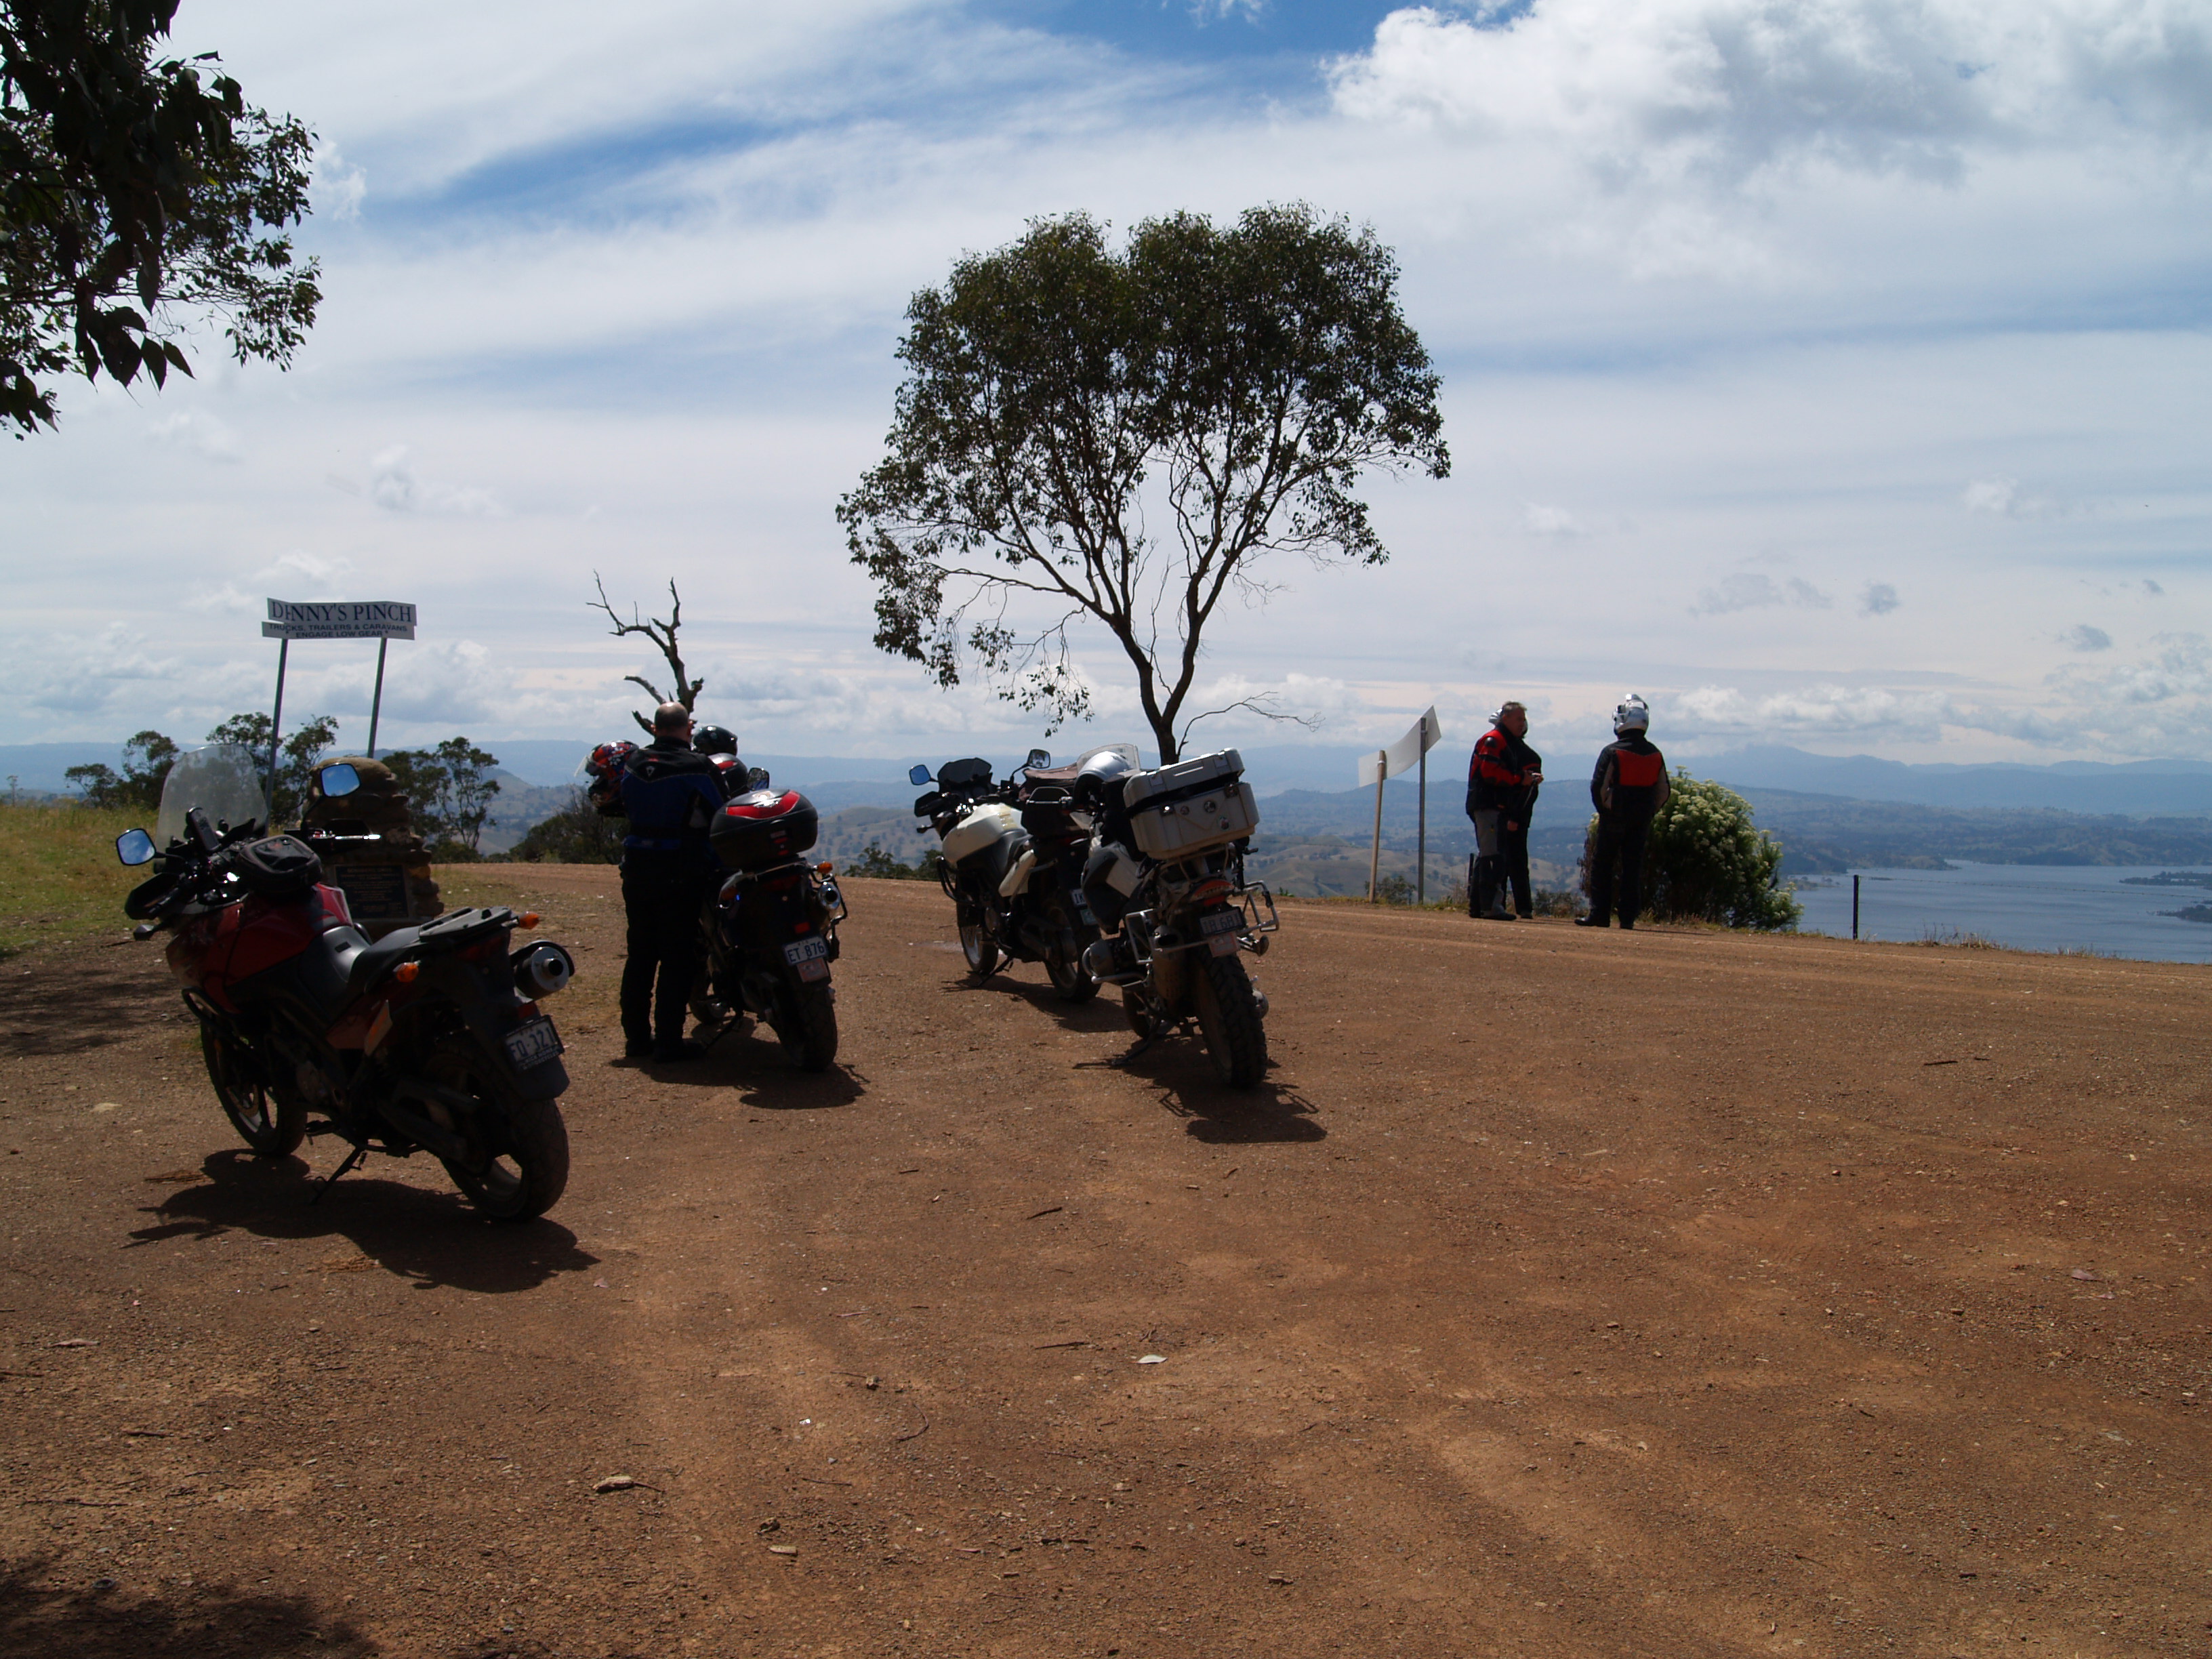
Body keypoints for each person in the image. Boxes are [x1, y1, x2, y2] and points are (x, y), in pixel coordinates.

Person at [617, 702, 727, 1061]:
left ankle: (636, 1040)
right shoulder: (698, 766)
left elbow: (621, 803)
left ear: (654, 728)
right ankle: (668, 1042)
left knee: (641, 955)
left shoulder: (633, 763)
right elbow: (723, 810)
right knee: (676, 956)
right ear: (687, 728)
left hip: (637, 867)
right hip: (679, 869)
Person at [1580, 695, 1668, 930]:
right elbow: (1664, 791)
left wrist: (1605, 810)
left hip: (1615, 816)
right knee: (1632, 867)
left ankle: (1600, 914)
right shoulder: (1655, 754)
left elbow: (1598, 787)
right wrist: (1650, 812)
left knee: (1603, 865)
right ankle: (1627, 918)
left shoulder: (1613, 751)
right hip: (1641, 818)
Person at [1465, 701, 1542, 920]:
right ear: (1505, 719)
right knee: (1493, 857)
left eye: (1524, 720)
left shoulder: (1508, 744)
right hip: (1488, 806)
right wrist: (1520, 779)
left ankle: (1479, 906)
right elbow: (1490, 773)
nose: (1522, 724)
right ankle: (1491, 907)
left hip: (1496, 807)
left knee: (1491, 854)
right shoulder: (1494, 740)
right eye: (1519, 719)